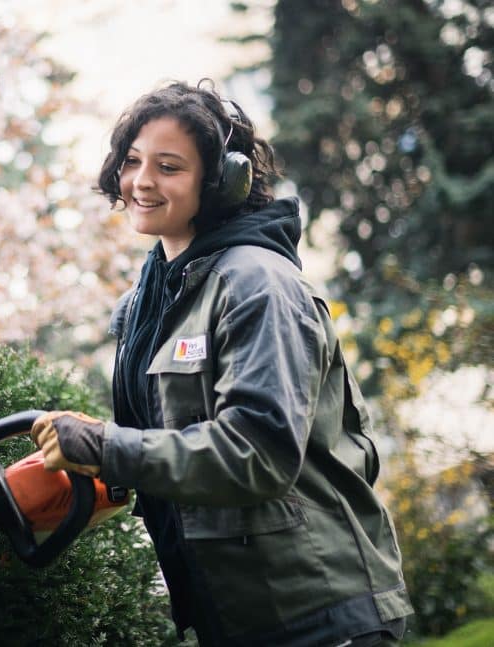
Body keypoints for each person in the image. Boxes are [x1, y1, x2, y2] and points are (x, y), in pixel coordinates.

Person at [30, 80, 413, 646]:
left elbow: (257, 452)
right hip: (240, 618)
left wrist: (112, 447)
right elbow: (163, 452)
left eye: (169, 166)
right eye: (133, 161)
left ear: (221, 182)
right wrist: (83, 465)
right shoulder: (151, 301)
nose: (142, 181)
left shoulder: (257, 284)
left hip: (318, 614)